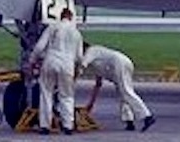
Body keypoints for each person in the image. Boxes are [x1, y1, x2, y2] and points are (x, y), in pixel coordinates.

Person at [27, 7, 84, 135]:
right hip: (67, 65)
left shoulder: (53, 27)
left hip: (51, 61)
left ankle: (45, 126)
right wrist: (78, 69)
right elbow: (79, 56)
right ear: (71, 17)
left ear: (61, 16)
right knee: (66, 95)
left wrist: (32, 61)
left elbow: (40, 46)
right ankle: (67, 125)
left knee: (46, 93)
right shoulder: (76, 33)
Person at [82, 43, 154, 131]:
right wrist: (91, 103)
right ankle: (129, 121)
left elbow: (82, 66)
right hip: (123, 62)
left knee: (126, 92)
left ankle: (147, 116)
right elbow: (98, 84)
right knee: (123, 93)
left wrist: (72, 80)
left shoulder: (90, 51)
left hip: (118, 63)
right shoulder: (97, 59)